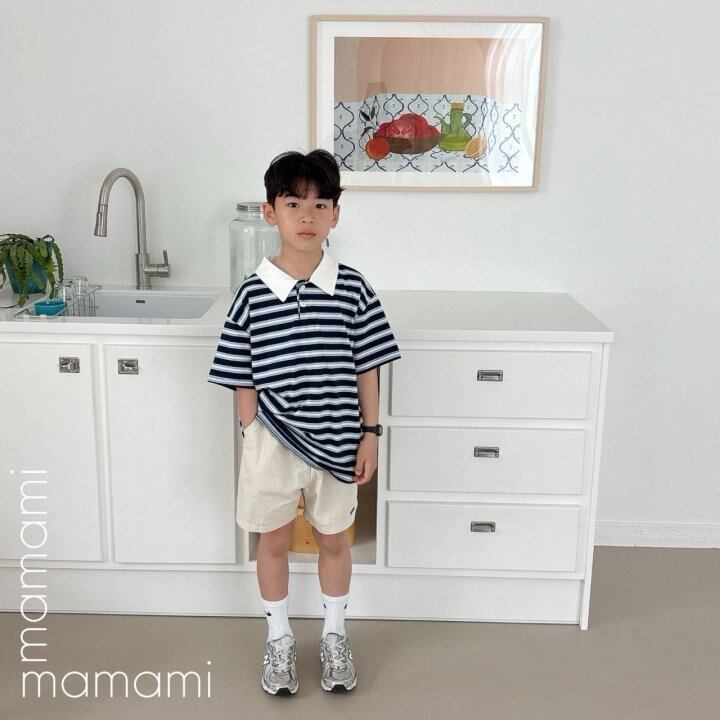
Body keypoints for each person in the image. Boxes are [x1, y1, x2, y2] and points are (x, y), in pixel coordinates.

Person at [207, 148, 402, 695]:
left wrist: (371, 434)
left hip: (340, 439)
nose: (307, 216)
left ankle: (335, 635)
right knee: (271, 541)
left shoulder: (353, 288)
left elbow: (368, 367)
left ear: (336, 214)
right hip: (271, 439)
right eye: (293, 203)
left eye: (320, 204)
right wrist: (252, 432)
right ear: (270, 212)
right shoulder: (252, 294)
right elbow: (241, 374)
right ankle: (279, 639)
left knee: (334, 540)